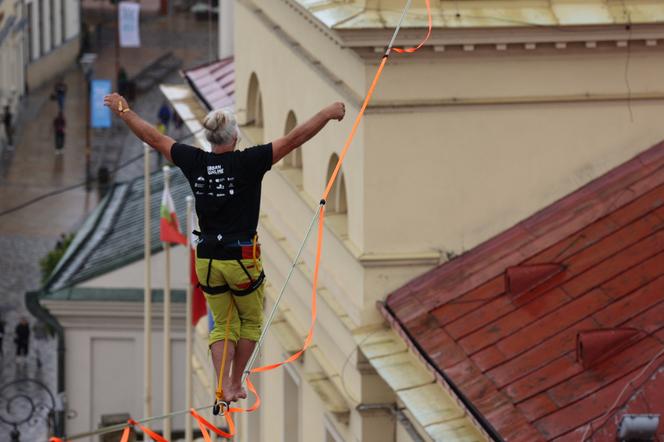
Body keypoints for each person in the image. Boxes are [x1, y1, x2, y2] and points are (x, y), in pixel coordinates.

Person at [104, 92, 345, 403]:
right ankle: (234, 381)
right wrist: (326, 112)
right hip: (241, 259)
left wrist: (125, 111)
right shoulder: (249, 161)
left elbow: (153, 137)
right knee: (251, 321)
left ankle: (222, 387)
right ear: (234, 136)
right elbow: (295, 138)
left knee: (221, 326)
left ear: (210, 138)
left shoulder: (195, 161)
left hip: (206, 259)